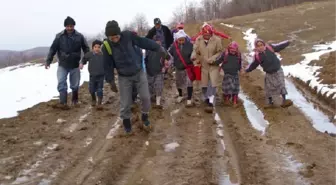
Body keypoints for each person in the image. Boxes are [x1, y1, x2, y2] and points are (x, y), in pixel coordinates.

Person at [103, 20, 166, 135]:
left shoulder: (128, 36)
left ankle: (145, 117)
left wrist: (158, 48)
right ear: (108, 37)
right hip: (124, 77)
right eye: (111, 38)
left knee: (146, 98)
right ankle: (127, 125)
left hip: (138, 72)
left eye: (116, 36)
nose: (114, 39)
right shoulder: (106, 46)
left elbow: (143, 42)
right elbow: (107, 65)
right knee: (125, 103)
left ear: (119, 33)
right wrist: (110, 80)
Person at [45, 16, 90, 109]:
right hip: (63, 64)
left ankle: (75, 101)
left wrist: (84, 61)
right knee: (61, 82)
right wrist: (48, 61)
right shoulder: (59, 36)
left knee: (75, 84)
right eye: (68, 26)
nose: (69, 28)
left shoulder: (80, 36)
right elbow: (53, 49)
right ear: (65, 26)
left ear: (74, 26)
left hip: (75, 64)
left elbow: (86, 49)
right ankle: (63, 103)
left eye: (71, 26)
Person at [245, 39, 293, 108]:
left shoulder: (270, 48)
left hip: (278, 70)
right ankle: (270, 103)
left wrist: (287, 42)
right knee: (269, 88)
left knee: (281, 85)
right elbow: (253, 65)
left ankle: (284, 100)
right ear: (256, 47)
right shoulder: (257, 56)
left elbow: (280, 46)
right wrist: (247, 70)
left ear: (264, 44)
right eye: (258, 46)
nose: (260, 47)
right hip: (269, 73)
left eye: (261, 45)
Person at [191, 24, 223, 113]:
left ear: (211, 33)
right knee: (204, 84)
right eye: (205, 35)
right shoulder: (199, 39)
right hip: (203, 65)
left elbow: (220, 52)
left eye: (208, 35)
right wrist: (194, 57)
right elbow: (195, 50)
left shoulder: (217, 40)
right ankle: (206, 98)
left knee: (212, 84)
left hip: (213, 65)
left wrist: (213, 59)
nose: (206, 36)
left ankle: (211, 102)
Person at [168, 30, 195, 107]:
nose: (181, 41)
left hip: (188, 67)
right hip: (178, 68)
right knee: (179, 83)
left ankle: (189, 99)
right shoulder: (174, 46)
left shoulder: (190, 45)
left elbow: (195, 53)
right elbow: (169, 55)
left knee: (189, 83)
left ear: (185, 38)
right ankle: (180, 95)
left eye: (182, 40)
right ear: (177, 39)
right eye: (179, 40)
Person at [79, 40, 108, 109]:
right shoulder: (90, 54)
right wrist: (82, 63)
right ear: (92, 48)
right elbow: (84, 59)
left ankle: (99, 103)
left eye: (99, 47)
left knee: (100, 89)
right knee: (91, 89)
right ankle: (93, 99)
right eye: (95, 47)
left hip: (101, 75)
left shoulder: (103, 55)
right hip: (92, 75)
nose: (97, 49)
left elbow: (109, 63)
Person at [145, 35, 170, 109]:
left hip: (159, 71)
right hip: (149, 71)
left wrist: (166, 64)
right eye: (156, 42)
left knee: (159, 86)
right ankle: (151, 99)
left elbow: (168, 58)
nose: (157, 44)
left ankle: (158, 103)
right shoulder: (148, 50)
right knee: (150, 87)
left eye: (159, 42)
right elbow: (144, 60)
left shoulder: (162, 49)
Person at [215, 41, 242, 107]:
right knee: (229, 87)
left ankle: (234, 101)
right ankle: (226, 99)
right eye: (231, 50)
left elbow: (239, 63)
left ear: (236, 50)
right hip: (227, 73)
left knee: (236, 88)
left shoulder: (238, 54)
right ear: (229, 49)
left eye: (234, 50)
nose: (233, 51)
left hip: (235, 73)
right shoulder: (225, 54)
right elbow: (219, 60)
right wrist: (213, 63)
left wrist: (240, 69)